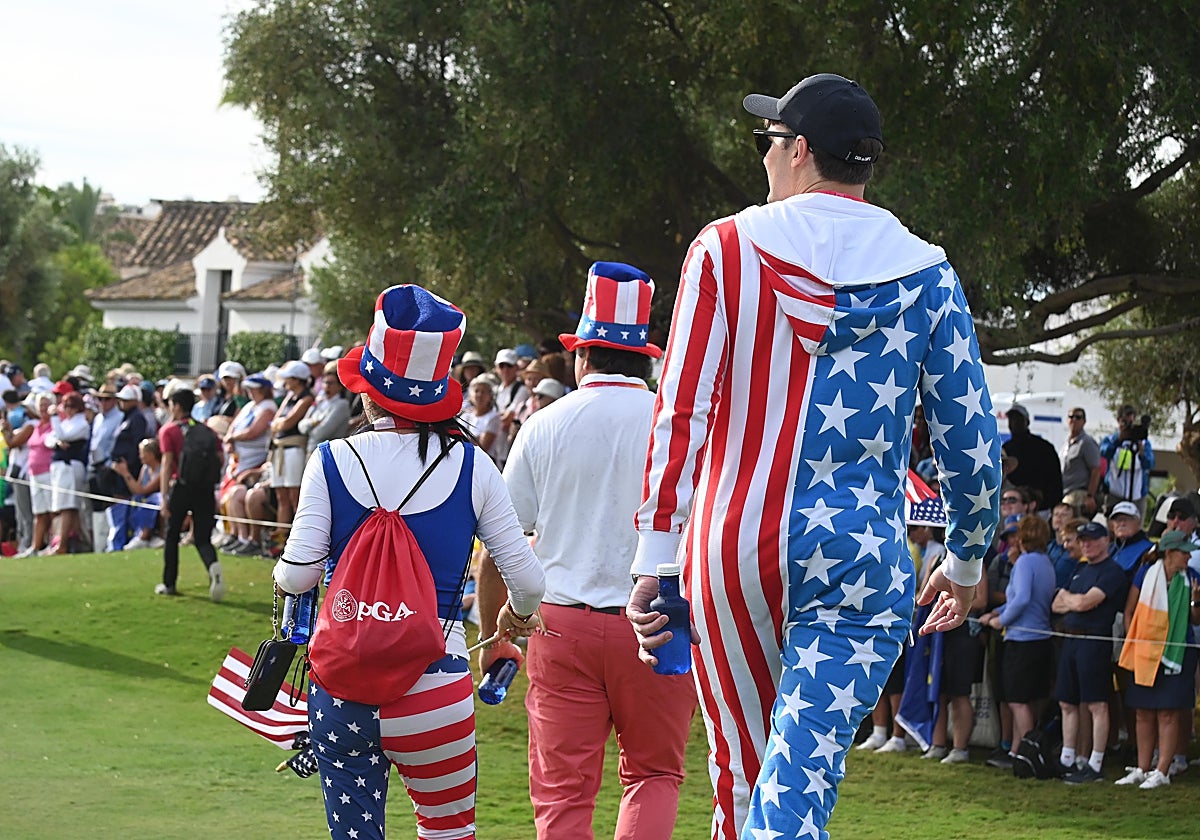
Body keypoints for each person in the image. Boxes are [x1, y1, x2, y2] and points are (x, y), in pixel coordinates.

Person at [627, 73, 1001, 840]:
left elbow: (681, 412)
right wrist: (966, 561)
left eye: (769, 142)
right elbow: (970, 437)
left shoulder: (724, 247)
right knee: (794, 789)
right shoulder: (928, 273)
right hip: (860, 555)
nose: (763, 158)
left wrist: (654, 556)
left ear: (798, 151)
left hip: (729, 549)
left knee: (742, 778)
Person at [273, 284, 545, 840]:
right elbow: (528, 580)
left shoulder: (329, 460)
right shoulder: (473, 466)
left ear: (369, 390)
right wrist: (512, 619)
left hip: (343, 683)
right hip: (435, 684)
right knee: (447, 833)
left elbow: (297, 575)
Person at [480, 263, 698, 839]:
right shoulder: (675, 425)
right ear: (647, 357)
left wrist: (497, 635)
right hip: (660, 621)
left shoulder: (543, 423)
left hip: (562, 624)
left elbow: (501, 545)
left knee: (561, 793)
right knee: (653, 775)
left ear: (582, 355)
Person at [1114, 530, 1200, 788]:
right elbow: (1130, 611)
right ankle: (1142, 767)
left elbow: (1196, 620)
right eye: (1183, 551)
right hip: (1146, 651)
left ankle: (1162, 770)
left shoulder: (1192, 578)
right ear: (1169, 552)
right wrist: (1136, 642)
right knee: (1143, 712)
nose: (1188, 556)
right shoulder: (1146, 573)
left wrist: (1195, 601)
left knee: (1168, 713)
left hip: (1178, 653)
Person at [1051, 521, 1128, 783]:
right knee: (1067, 702)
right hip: (1071, 638)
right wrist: (1073, 601)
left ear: (1106, 540)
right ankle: (1068, 758)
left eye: (1092, 539)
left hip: (1094, 640)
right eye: (1082, 539)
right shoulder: (1081, 568)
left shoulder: (1112, 572)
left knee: (1096, 703)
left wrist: (1072, 600)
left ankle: (1095, 763)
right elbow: (1057, 602)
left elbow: (1084, 602)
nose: (1086, 544)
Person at [979, 515, 1056, 768]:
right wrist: (996, 613)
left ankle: (1027, 753)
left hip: (1023, 638)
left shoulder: (1025, 562)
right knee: (1028, 699)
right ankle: (1015, 751)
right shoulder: (1046, 561)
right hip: (1040, 637)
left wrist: (1002, 621)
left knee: (1017, 700)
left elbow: (1021, 599)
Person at [157, 389, 224, 601]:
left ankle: (169, 583)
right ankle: (213, 566)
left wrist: (164, 496)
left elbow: (167, 464)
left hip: (181, 486)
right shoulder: (207, 430)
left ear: (176, 406)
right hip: (204, 488)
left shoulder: (169, 431)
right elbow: (220, 459)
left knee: (172, 534)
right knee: (203, 537)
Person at [268, 360, 315, 529]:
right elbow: (275, 422)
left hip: (294, 449)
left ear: (297, 379)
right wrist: (278, 423)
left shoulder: (307, 398)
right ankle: (281, 534)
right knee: (281, 496)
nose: (285, 382)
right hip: (280, 449)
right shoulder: (289, 397)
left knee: (295, 495)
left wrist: (278, 423)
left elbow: (287, 423)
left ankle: (298, 534)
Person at [103, 385, 150, 551]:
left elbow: (135, 444)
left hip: (128, 470)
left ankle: (121, 541)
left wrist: (127, 468)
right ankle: (117, 540)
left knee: (124, 504)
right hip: (119, 470)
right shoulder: (126, 417)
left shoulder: (137, 418)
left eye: (125, 400)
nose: (121, 403)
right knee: (118, 505)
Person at [45, 391, 89, 555]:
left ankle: (62, 544)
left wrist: (55, 417)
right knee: (63, 506)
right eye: (66, 406)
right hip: (59, 468)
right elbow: (49, 439)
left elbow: (63, 434)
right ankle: (75, 541)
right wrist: (56, 442)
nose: (68, 410)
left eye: (71, 406)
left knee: (67, 507)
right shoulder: (65, 422)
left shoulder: (81, 424)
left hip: (70, 467)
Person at [1002, 404, 1062, 514]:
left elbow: (1055, 480)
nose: (1014, 422)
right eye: (1011, 419)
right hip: (1011, 508)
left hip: (1041, 509)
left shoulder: (1044, 448)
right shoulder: (1005, 449)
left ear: (1027, 422)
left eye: (1018, 419)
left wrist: (1051, 503)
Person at [1100, 405, 1155, 518]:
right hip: (1115, 495)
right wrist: (1119, 440)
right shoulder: (1110, 440)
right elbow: (1104, 452)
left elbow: (1150, 464)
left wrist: (1142, 453)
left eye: (1131, 422)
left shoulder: (1144, 443)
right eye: (1125, 422)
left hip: (1137, 496)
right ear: (1118, 420)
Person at [112, 438, 164, 548]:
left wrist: (126, 473)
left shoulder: (161, 469)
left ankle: (145, 536)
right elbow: (137, 490)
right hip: (145, 499)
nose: (140, 457)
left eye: (143, 453)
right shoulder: (145, 468)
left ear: (151, 454)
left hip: (159, 500)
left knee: (151, 501)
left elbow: (144, 490)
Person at [299, 362, 351, 457]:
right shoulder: (319, 401)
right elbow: (301, 426)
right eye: (324, 382)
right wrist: (313, 423)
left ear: (340, 386)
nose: (327, 386)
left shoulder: (342, 405)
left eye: (330, 383)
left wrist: (310, 427)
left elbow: (320, 433)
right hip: (311, 451)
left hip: (330, 455)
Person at [1061, 407, 1102, 515]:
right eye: (1071, 417)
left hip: (1079, 493)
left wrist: (1090, 496)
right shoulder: (1066, 442)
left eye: (1078, 417)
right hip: (1065, 492)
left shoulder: (1087, 443)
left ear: (1084, 422)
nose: (1074, 420)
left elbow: (1095, 470)